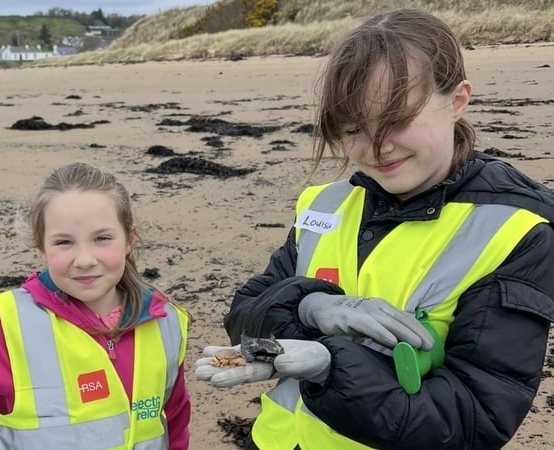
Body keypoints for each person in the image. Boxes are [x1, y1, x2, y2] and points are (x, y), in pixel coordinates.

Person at [195, 8, 554, 450]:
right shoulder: (323, 204)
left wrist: (329, 367)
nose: (377, 147)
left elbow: (470, 421)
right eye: (352, 128)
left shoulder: (517, 231)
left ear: (457, 100)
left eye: (397, 119)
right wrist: (311, 307)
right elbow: (245, 313)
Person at [0, 162, 192, 450]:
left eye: (102, 238)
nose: (85, 260)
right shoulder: (9, 327)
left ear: (129, 239)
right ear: (41, 247)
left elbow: (174, 417)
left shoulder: (166, 321)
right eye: (64, 242)